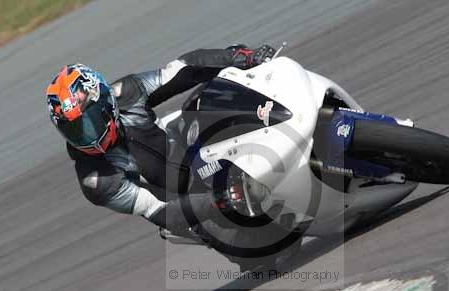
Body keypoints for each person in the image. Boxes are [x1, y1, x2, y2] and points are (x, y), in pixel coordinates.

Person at [46, 45, 293, 265]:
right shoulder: (97, 180)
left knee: (222, 86)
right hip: (184, 203)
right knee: (269, 251)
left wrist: (243, 57)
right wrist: (218, 200)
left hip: (189, 144)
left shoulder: (127, 93)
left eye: (88, 122)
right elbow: (158, 211)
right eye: (74, 130)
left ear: (104, 102)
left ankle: (289, 125)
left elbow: (184, 69)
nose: (86, 136)